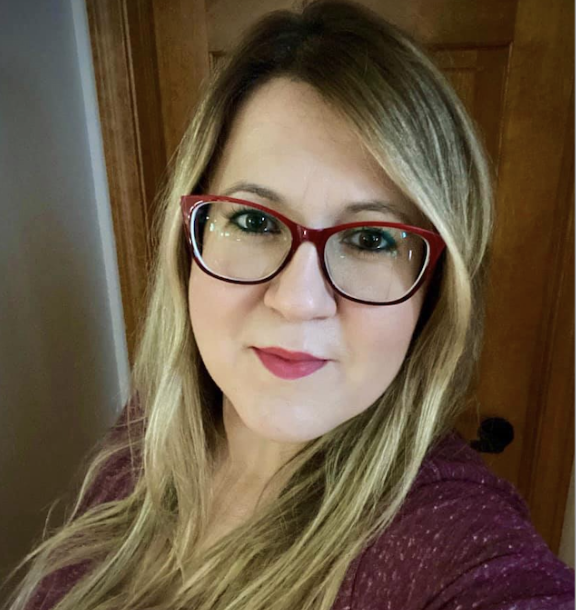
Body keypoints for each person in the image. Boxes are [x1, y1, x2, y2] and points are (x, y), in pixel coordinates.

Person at [5, 1, 574, 609]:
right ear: (188, 242)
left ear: (434, 292)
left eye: (372, 239)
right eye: (253, 220)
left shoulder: (439, 542)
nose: (299, 301)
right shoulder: (156, 425)